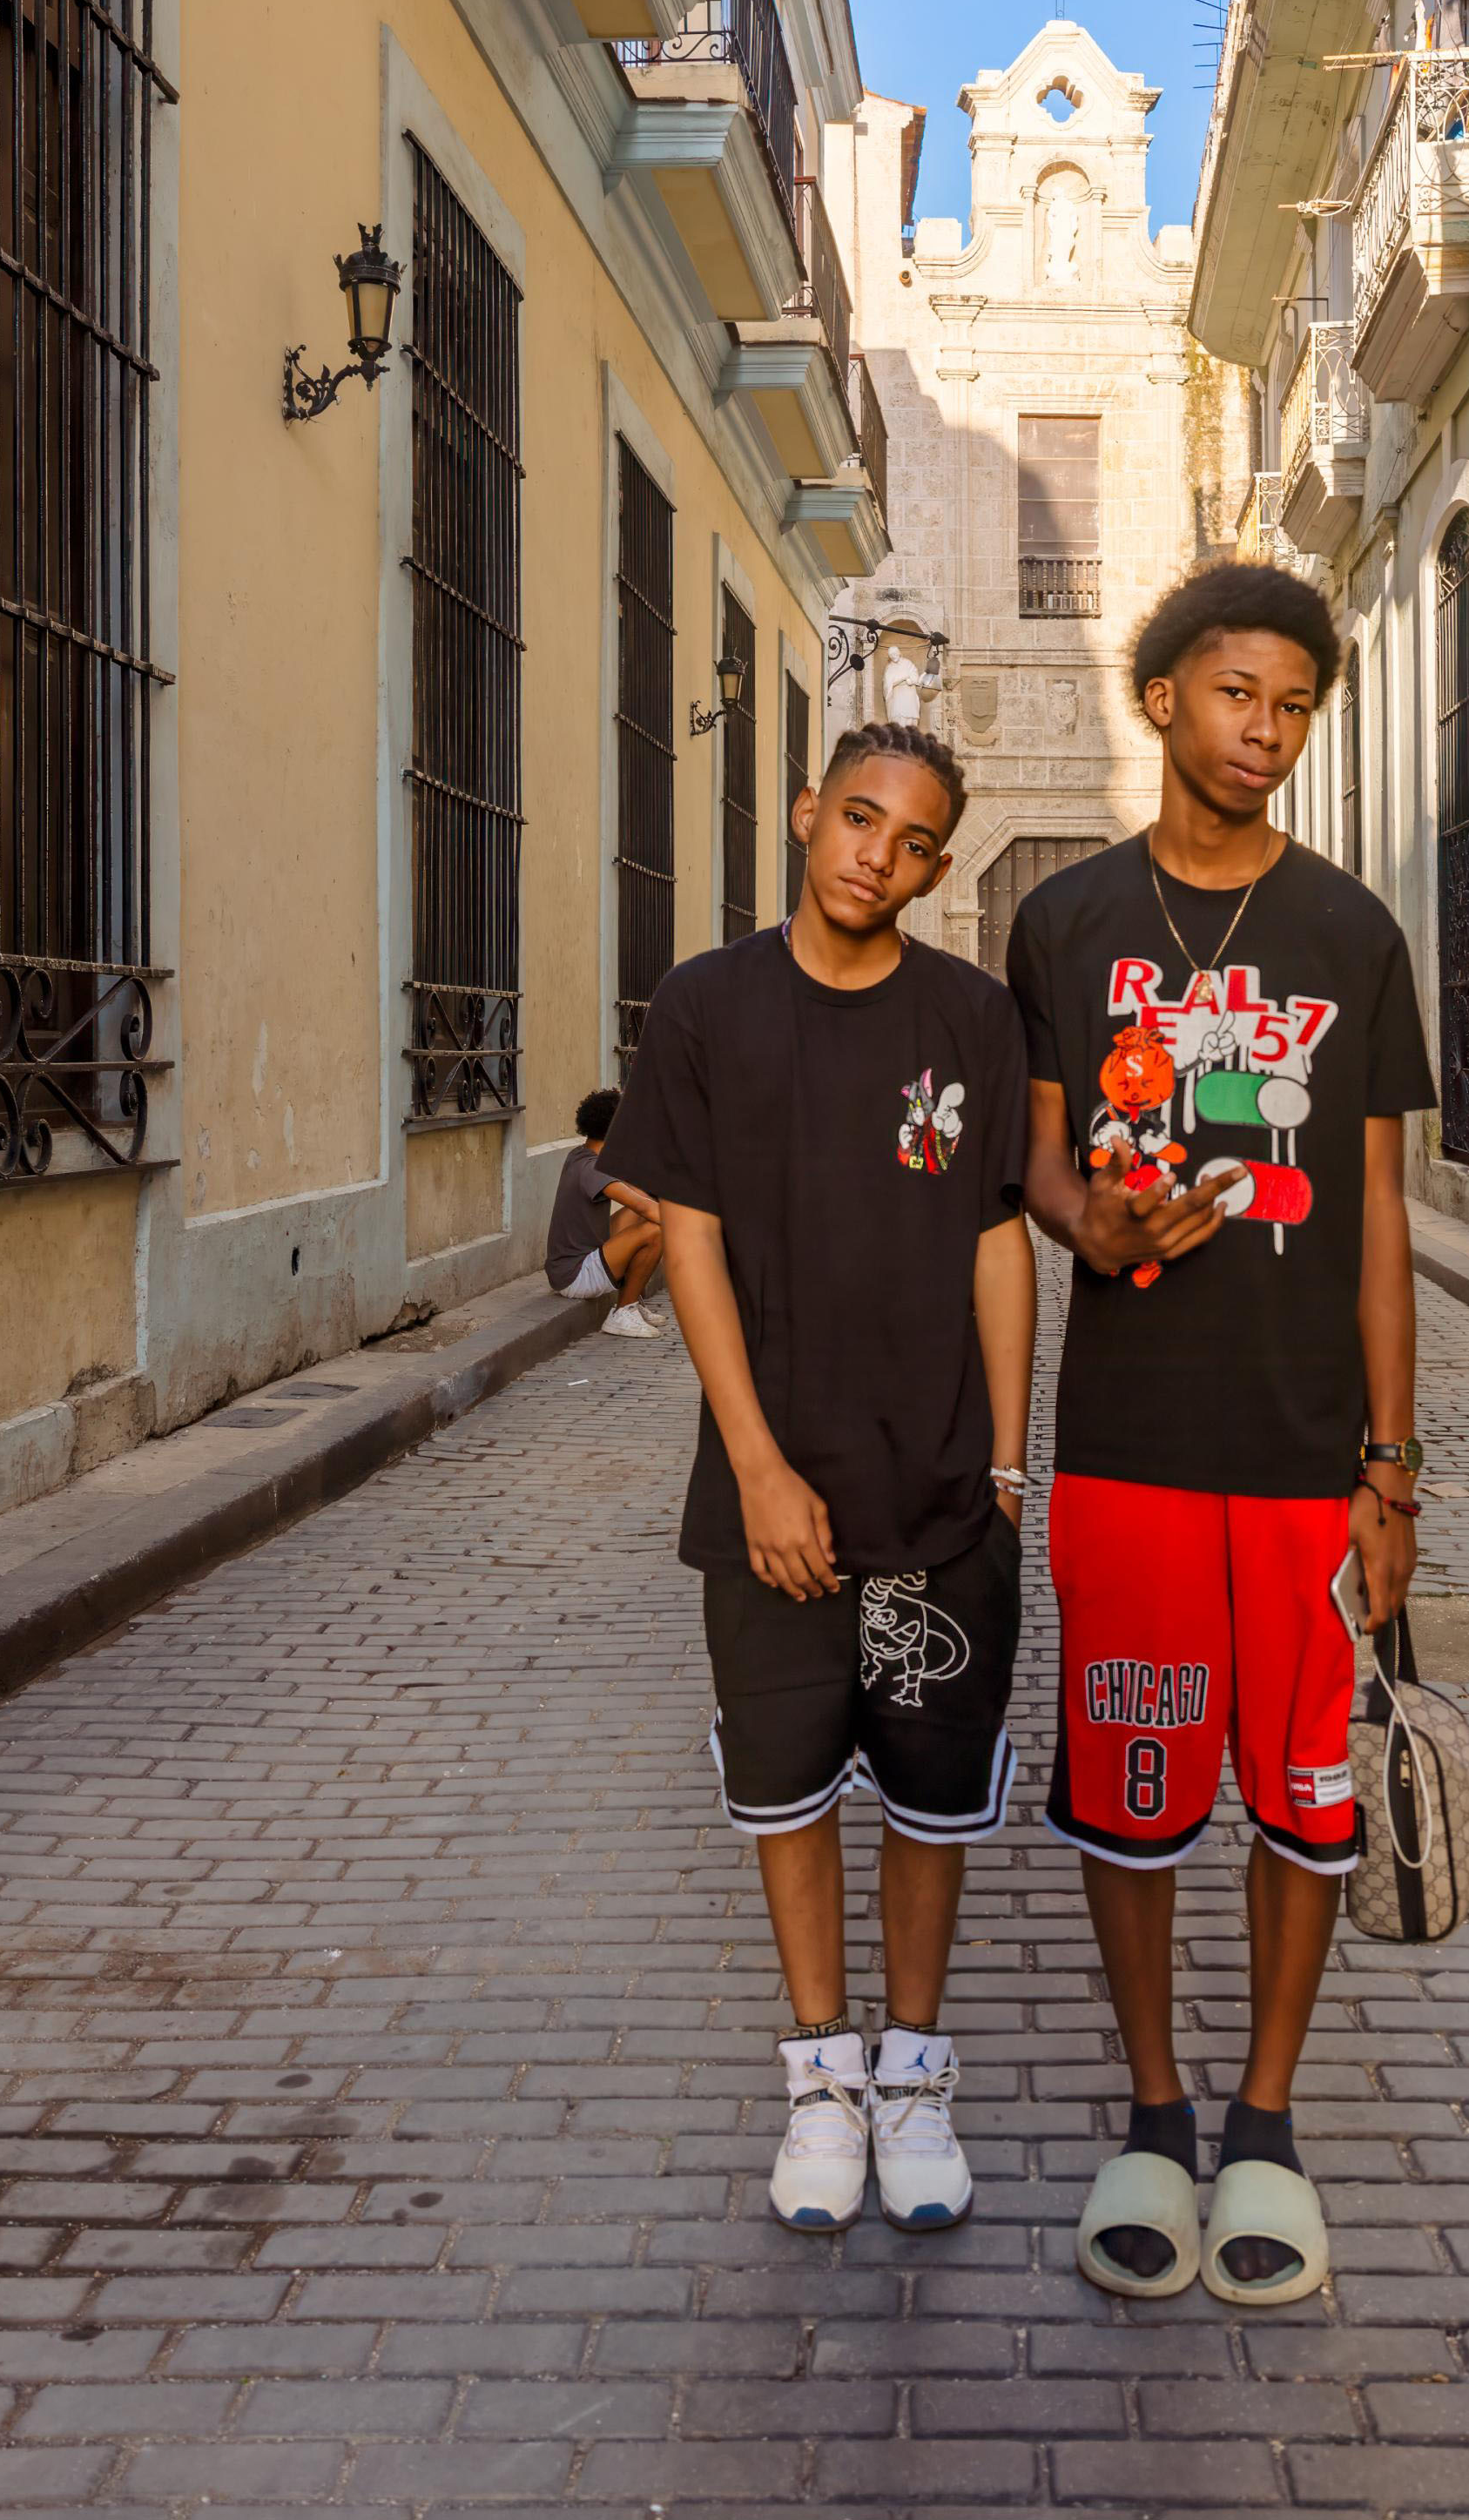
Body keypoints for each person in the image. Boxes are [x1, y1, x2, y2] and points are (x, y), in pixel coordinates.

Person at [1006, 563, 1437, 2309]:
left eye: (1293, 706)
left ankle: (1267, 2113)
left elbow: (1384, 1220)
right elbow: (1036, 1158)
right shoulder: (1066, 923)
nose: (1263, 732)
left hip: (1301, 1451)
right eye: (1235, 694)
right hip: (1124, 1438)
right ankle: (1156, 2109)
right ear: (1163, 695)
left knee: (1303, 1797)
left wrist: (1392, 1462)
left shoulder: (1352, 934)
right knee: (1132, 1784)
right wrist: (1083, 1228)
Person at [601, 721, 1034, 2238]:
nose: (880, 856)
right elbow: (688, 1236)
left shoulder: (972, 1015)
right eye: (860, 818)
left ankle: (914, 2074)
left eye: (917, 842)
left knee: (929, 1795)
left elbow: (998, 1232)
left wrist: (1003, 1456)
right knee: (787, 1787)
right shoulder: (706, 1006)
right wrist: (760, 1462)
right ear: (806, 812)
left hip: (938, 1485)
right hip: (770, 1489)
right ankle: (821, 2079)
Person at [543, 1088, 664, 1337]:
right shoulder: (593, 1169)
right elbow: (642, 1205)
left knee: (645, 1211)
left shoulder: (583, 1155)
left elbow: (639, 1193)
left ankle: (632, 1298)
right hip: (574, 1277)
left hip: (574, 1263)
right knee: (656, 1229)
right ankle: (622, 1313)